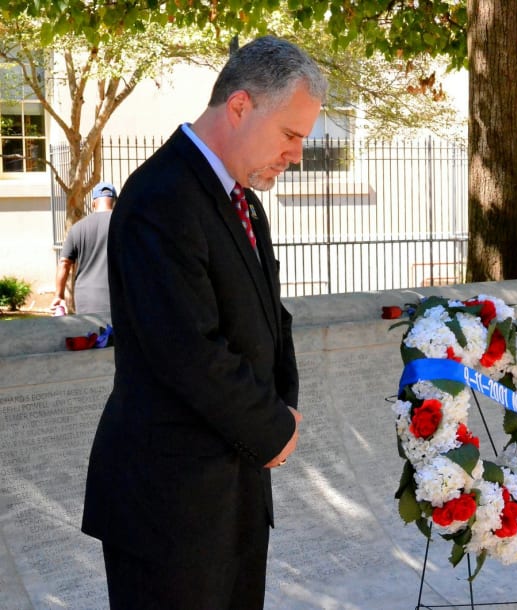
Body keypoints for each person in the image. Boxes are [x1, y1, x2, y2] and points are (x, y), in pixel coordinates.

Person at [81, 36, 327, 609]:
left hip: (234, 490)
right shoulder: (160, 196)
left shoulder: (242, 198)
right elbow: (188, 351)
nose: (296, 155)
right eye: (290, 135)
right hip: (168, 506)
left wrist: (282, 414)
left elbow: (272, 317)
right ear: (240, 106)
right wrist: (274, 429)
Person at [52, 181, 118, 315]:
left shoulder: (77, 228)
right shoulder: (123, 226)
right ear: (115, 202)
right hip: (117, 296)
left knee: (90, 335)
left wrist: (59, 295)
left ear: (94, 203)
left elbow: (64, 263)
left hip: (86, 297)